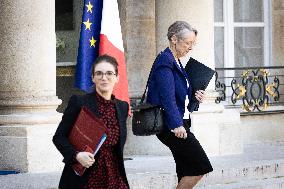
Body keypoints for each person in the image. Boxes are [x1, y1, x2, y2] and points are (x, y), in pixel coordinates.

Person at [146, 21, 213, 189]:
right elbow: (167, 96)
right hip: (172, 126)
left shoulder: (176, 61)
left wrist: (195, 96)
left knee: (186, 170)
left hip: (181, 123)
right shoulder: (165, 61)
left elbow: (179, 95)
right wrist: (176, 124)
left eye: (193, 44)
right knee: (200, 166)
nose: (190, 48)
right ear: (174, 39)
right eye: (188, 43)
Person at [53, 55, 130, 189]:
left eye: (109, 73)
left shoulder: (122, 107)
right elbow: (59, 137)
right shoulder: (79, 102)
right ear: (93, 78)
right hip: (86, 177)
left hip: (115, 175)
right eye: (99, 73)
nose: (104, 77)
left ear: (117, 77)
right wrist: (76, 155)